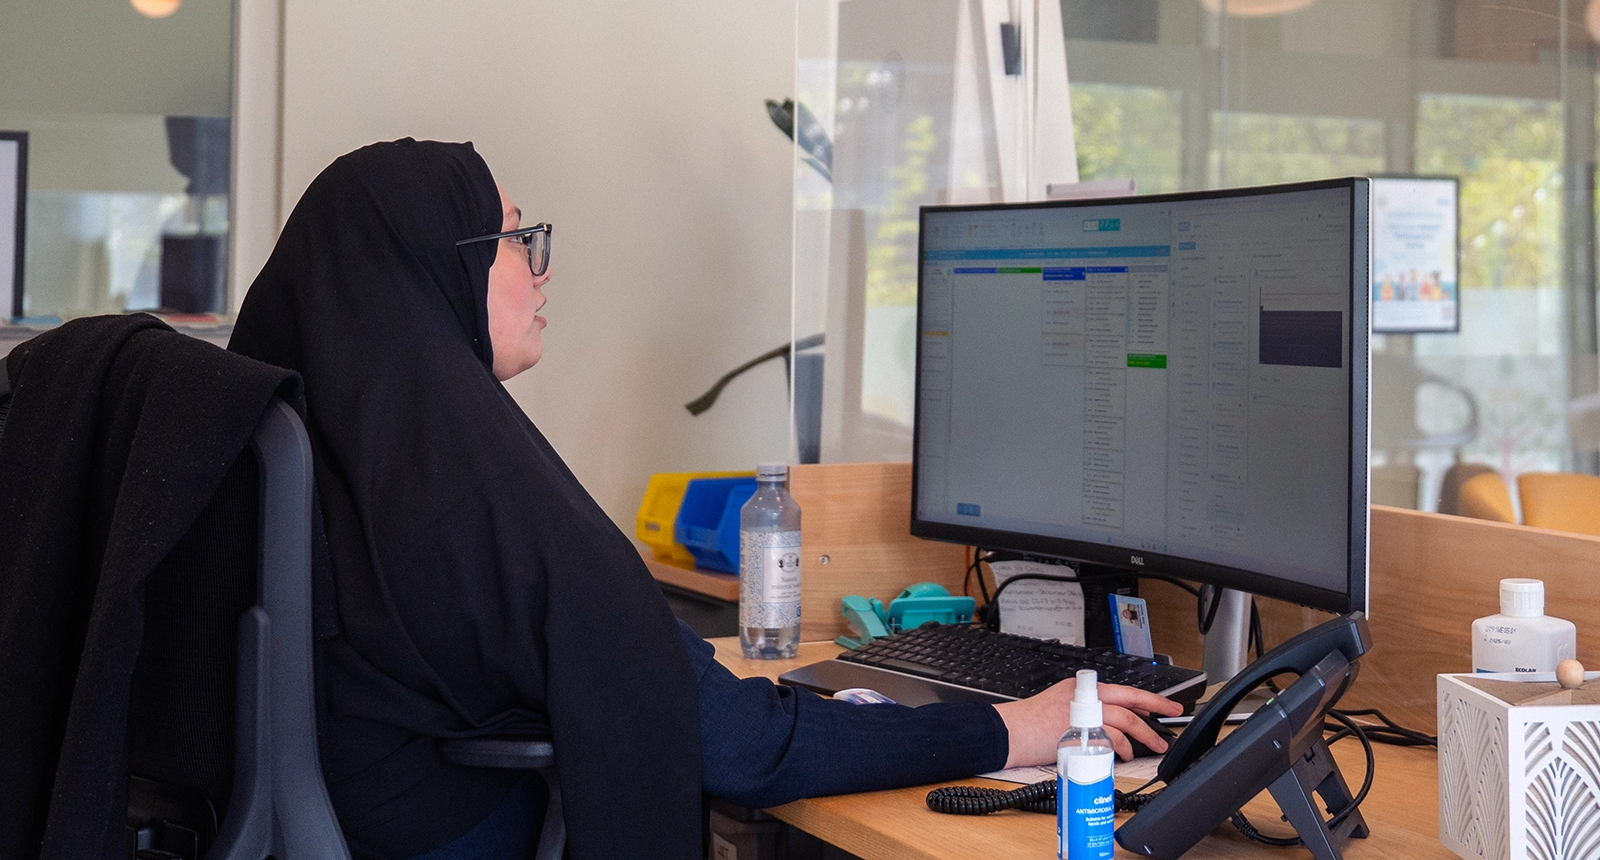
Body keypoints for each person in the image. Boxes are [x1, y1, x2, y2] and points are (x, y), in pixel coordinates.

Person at [228, 139, 1179, 860]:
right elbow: (742, 745)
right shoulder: (466, 500)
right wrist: (1016, 724)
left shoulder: (322, 457)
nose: (542, 265)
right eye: (519, 238)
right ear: (437, 270)